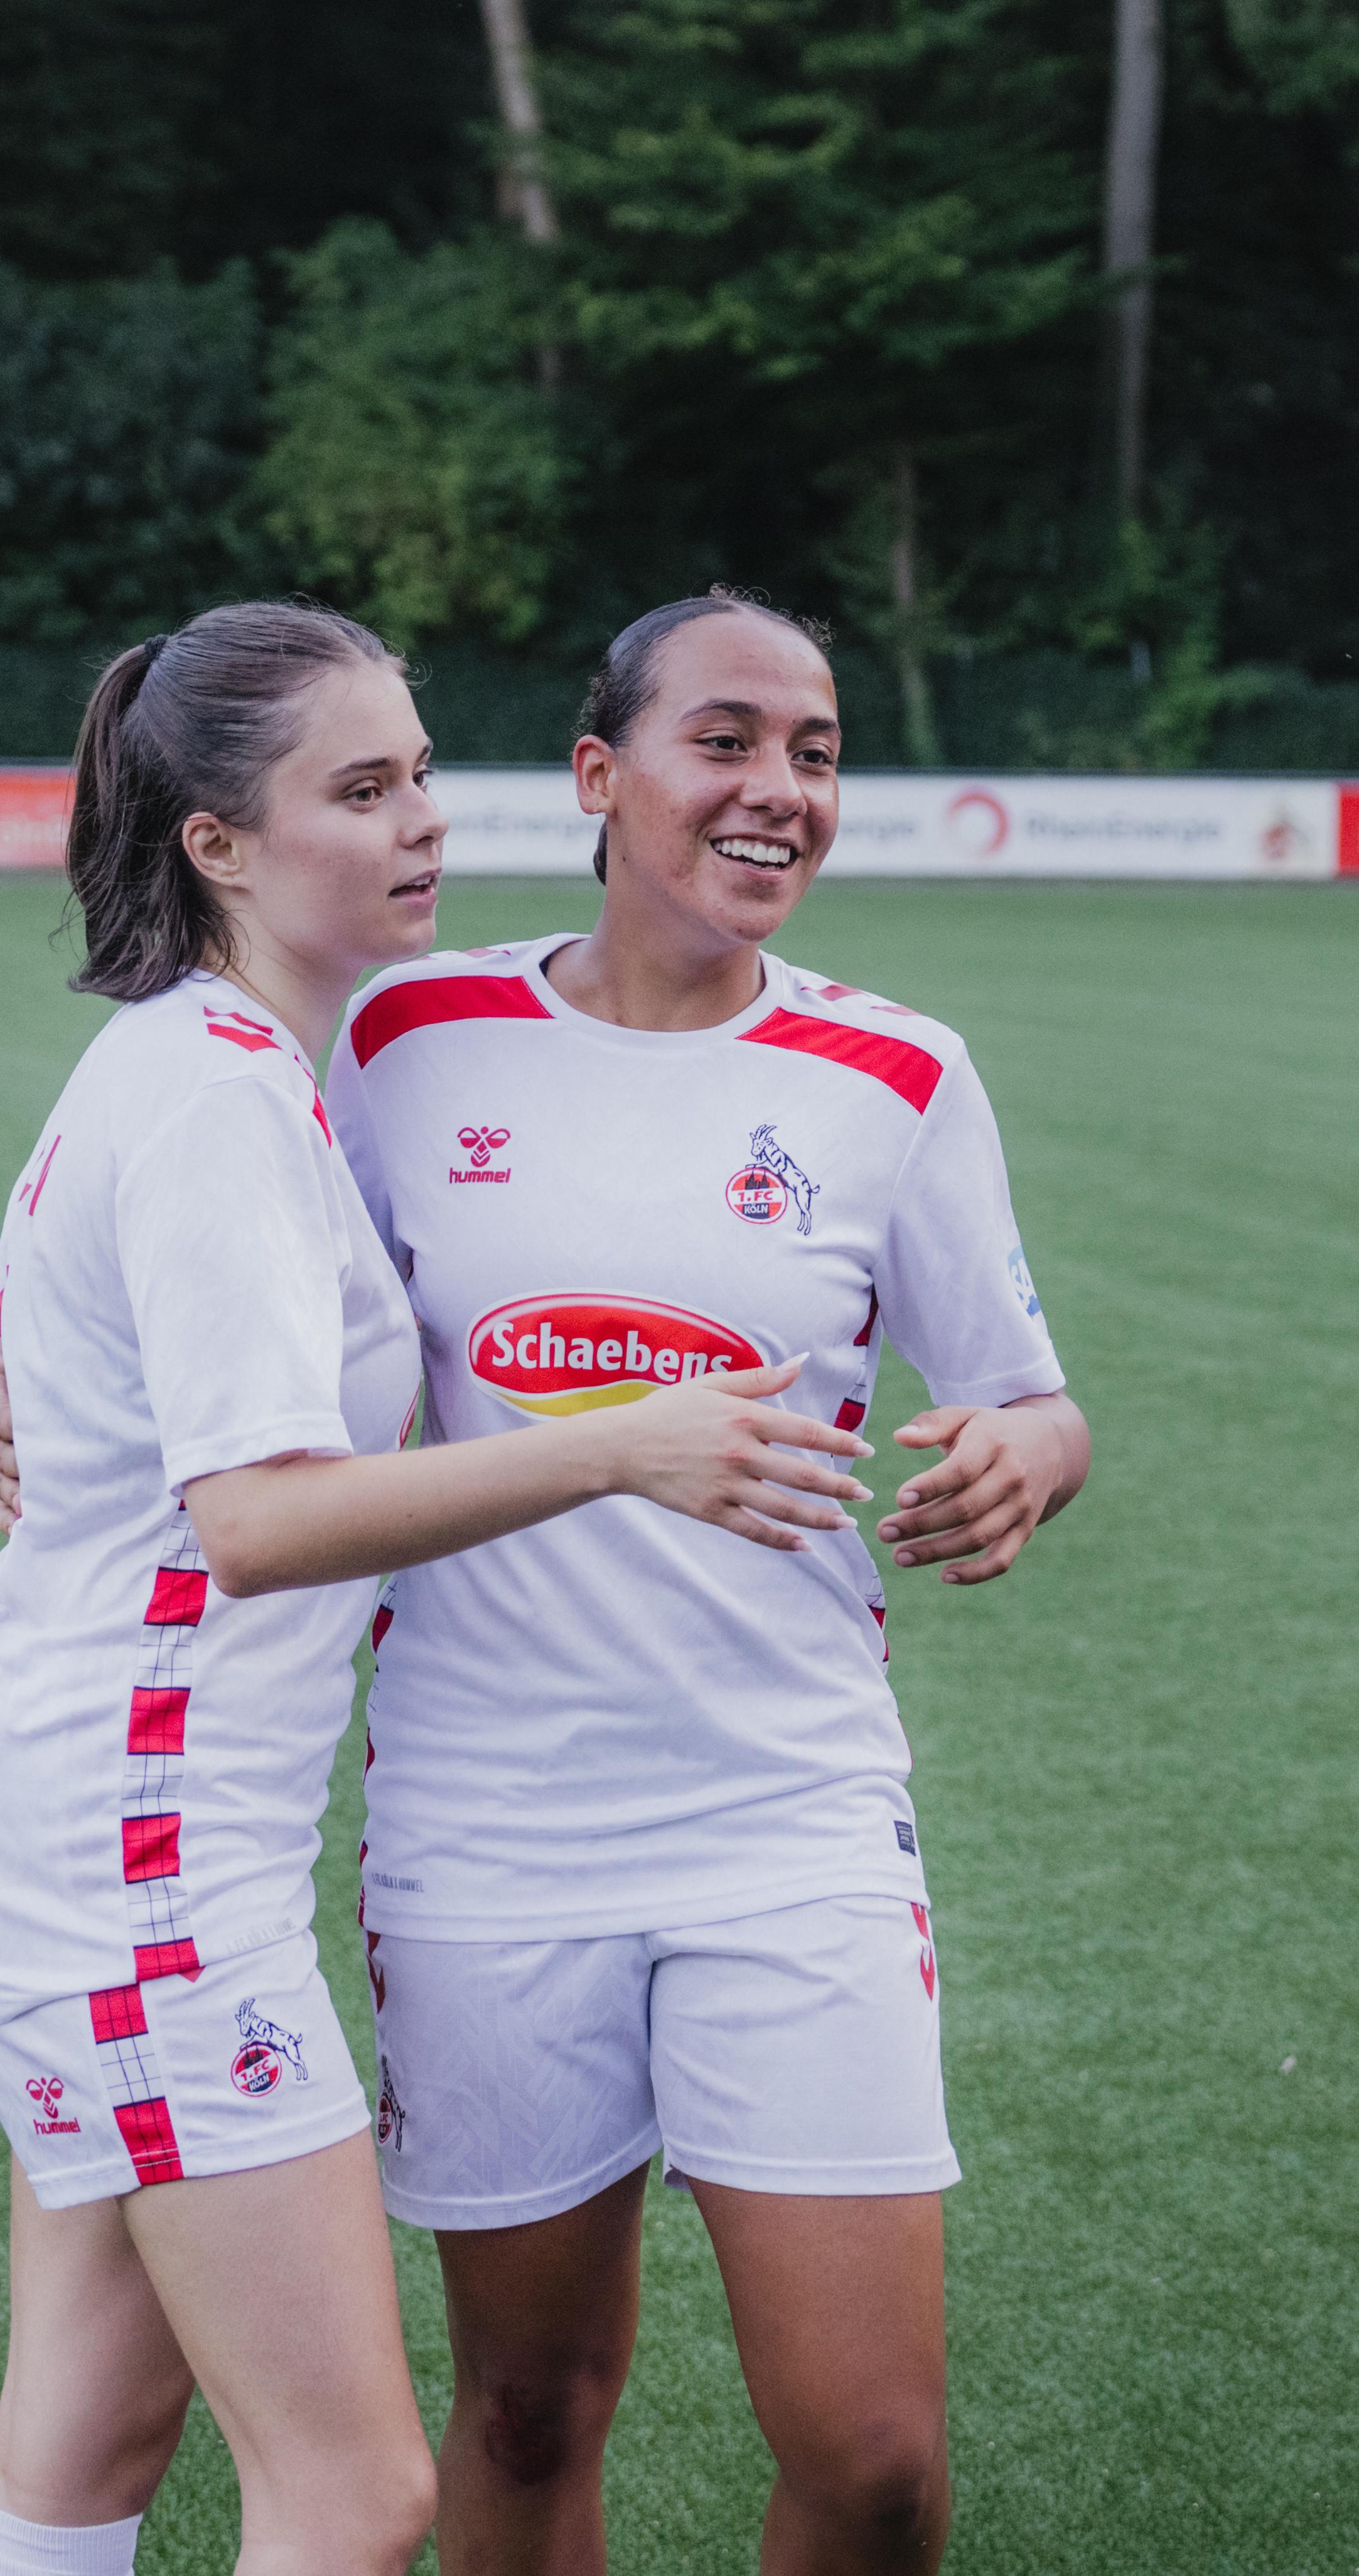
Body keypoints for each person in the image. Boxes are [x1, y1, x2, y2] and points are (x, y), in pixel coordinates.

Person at [0, 598, 872, 2576]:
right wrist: (622, 1443)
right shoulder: (216, 1100)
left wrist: (42, 1404)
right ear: (218, 843)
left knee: (89, 2435)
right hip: (140, 1858)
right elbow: (258, 1519)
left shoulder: (220, 1057)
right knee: (356, 2493)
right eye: (360, 789)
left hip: (86, 1825)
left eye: (423, 772)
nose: (424, 819)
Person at [314, 590, 1092, 2576]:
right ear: (602, 773)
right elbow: (261, 1315)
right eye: (725, 739)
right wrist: (17, 1367)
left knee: (876, 2457)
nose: (778, 788)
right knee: (529, 2404)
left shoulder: (895, 1071)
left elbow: (1030, 1391)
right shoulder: (405, 1038)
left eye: (815, 752)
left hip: (787, 1808)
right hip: (487, 1818)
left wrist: (1028, 1452)